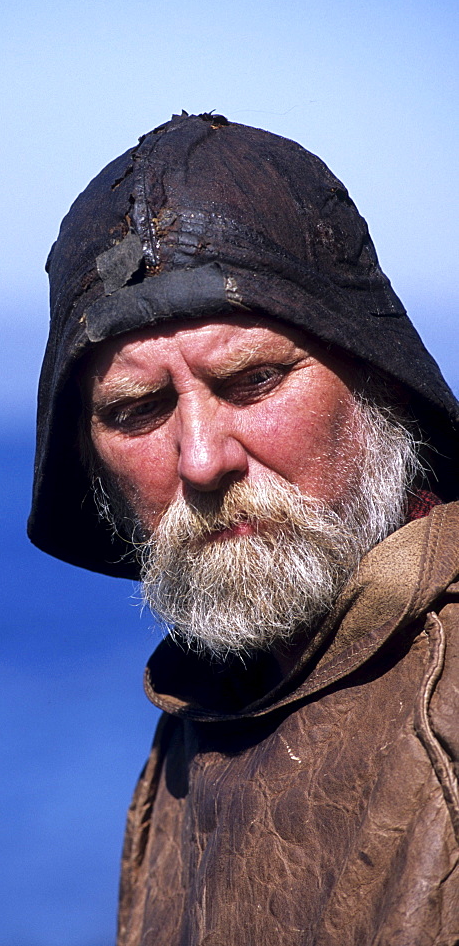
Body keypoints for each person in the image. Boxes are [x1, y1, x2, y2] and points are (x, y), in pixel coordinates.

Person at [28, 112, 459, 944]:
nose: (200, 460)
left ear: (383, 386)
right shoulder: (203, 716)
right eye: (137, 409)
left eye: (254, 380)